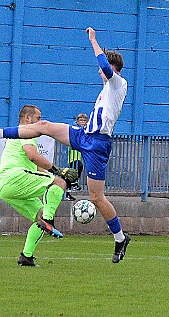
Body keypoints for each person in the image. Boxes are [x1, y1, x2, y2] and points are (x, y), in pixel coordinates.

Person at [0, 27, 131, 264]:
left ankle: (120, 238)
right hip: (84, 135)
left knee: (96, 197)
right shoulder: (107, 88)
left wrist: (93, 41)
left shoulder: (118, 83)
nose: (100, 73)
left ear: (112, 69)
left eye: (104, 71)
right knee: (44, 126)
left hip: (97, 145)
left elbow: (103, 65)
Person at [0, 105, 78, 267]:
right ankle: (49, 220)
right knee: (59, 182)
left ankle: (26, 256)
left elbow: (37, 167)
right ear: (28, 119)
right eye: (38, 118)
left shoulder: (17, 135)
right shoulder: (26, 131)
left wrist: (54, 175)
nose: (40, 122)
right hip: (14, 176)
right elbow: (33, 155)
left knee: (41, 215)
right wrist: (59, 172)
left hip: (6, 186)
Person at [65, 113, 88, 201]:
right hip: (73, 156)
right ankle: (74, 184)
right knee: (76, 168)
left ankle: (68, 191)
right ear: (77, 121)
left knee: (73, 173)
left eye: (84, 120)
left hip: (80, 155)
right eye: (81, 120)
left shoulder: (86, 130)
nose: (83, 122)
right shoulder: (75, 129)